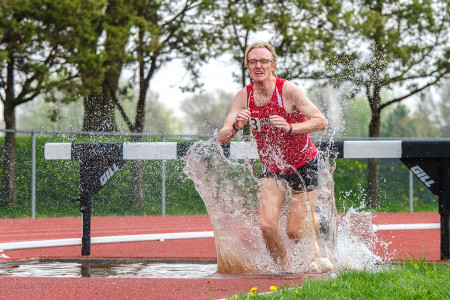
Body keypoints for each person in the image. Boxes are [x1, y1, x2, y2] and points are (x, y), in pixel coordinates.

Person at [218, 42, 331, 272]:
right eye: (253, 62)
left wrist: (291, 128)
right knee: (267, 226)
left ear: (273, 65)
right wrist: (236, 126)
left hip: (303, 164)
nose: (258, 65)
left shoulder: (287, 91)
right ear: (248, 66)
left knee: (295, 232)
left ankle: (319, 220)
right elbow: (223, 137)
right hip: (273, 168)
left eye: (263, 61)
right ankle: (285, 269)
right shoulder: (244, 96)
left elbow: (321, 121)